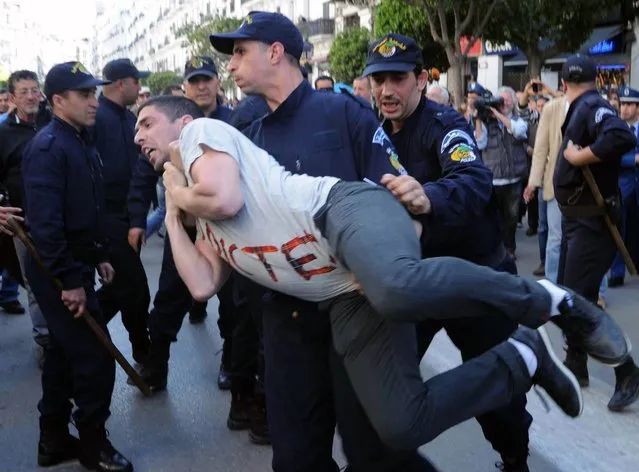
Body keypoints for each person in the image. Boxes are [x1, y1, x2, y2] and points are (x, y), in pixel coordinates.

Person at [136, 95, 628, 454]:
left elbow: (223, 197)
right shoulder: (198, 213)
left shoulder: (201, 133)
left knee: (396, 288)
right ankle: (523, 357)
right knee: (400, 423)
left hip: (347, 212)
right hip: (343, 290)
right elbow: (202, 283)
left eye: (146, 123)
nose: (137, 136)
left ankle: (549, 299)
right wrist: (176, 217)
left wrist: (177, 192)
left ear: (180, 123)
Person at [364, 33, 531, 471]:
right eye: (378, 79)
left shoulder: (445, 126)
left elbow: (473, 180)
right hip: (416, 284)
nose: (386, 90)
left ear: (420, 79)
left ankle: (514, 458)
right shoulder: (373, 134)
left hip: (475, 279)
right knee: (381, 384)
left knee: (498, 392)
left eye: (397, 78)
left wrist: (428, 196)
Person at [21, 61, 132, 472]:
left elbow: (88, 207)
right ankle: (92, 444)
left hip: (77, 263)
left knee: (64, 356)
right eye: (84, 95)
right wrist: (70, 280)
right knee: (94, 358)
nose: (94, 102)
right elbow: (47, 226)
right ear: (57, 101)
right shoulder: (49, 147)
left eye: (94, 93)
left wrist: (99, 253)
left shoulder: (80, 140)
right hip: (57, 272)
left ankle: (52, 441)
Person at [553, 55, 639, 412]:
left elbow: (620, 136)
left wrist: (580, 157)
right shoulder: (588, 103)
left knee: (576, 302)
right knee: (569, 299)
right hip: (579, 221)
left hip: (592, 224)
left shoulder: (591, 105)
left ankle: (626, 371)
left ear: (562, 84)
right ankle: (576, 363)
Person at [94, 58, 152, 364]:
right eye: (136, 81)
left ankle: (77, 332)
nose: (139, 87)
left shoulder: (131, 119)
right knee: (135, 290)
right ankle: (143, 351)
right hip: (109, 218)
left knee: (119, 288)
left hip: (130, 217)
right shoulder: (96, 119)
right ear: (121, 84)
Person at [0, 70, 51, 348]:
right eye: (24, 92)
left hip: (59, 219)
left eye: (35, 89)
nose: (32, 96)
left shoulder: (53, 122)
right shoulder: (3, 133)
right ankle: (45, 342)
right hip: (24, 223)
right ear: (11, 98)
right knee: (36, 285)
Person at [609, 85, 639, 287]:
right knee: (618, 231)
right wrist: (633, 160)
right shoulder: (615, 128)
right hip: (622, 186)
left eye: (630, 104)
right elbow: (610, 157)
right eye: (623, 104)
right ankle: (617, 272)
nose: (625, 108)